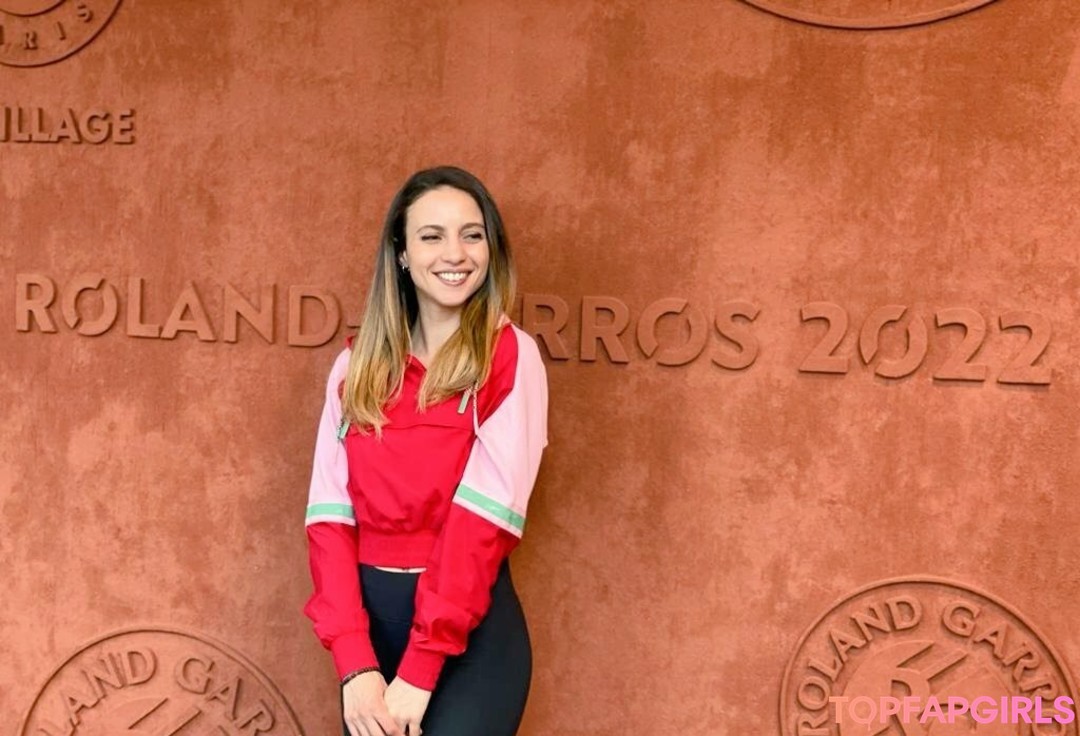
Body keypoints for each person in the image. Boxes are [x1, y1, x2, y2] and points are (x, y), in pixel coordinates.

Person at [302, 166, 549, 736]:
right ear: (403, 254)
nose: (454, 253)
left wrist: (420, 667)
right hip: (370, 638)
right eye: (432, 236)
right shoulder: (354, 366)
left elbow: (481, 525)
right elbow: (328, 520)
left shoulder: (510, 358)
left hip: (470, 639)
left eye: (472, 234)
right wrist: (353, 661)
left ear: (491, 248)